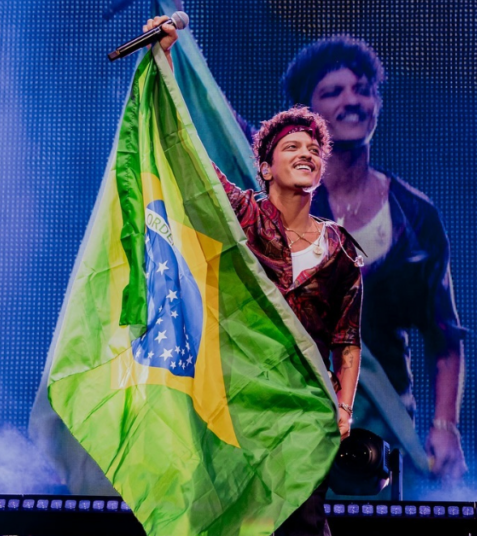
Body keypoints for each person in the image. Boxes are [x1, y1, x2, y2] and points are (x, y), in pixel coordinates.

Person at [145, 17, 363, 536]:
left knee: (303, 526)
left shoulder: (341, 252)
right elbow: (186, 152)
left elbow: (348, 340)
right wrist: (166, 61)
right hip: (236, 402)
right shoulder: (242, 214)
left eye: (314, 150)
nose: (307, 153)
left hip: (305, 412)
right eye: (292, 147)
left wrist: (344, 408)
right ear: (264, 167)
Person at [281, 37, 468, 484]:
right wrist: (176, 42)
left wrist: (445, 427)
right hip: (287, 421)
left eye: (363, 89)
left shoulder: (415, 214)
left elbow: (445, 336)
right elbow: (212, 120)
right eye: (333, 91)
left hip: (377, 433)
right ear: (305, 115)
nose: (352, 100)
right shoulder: (278, 198)